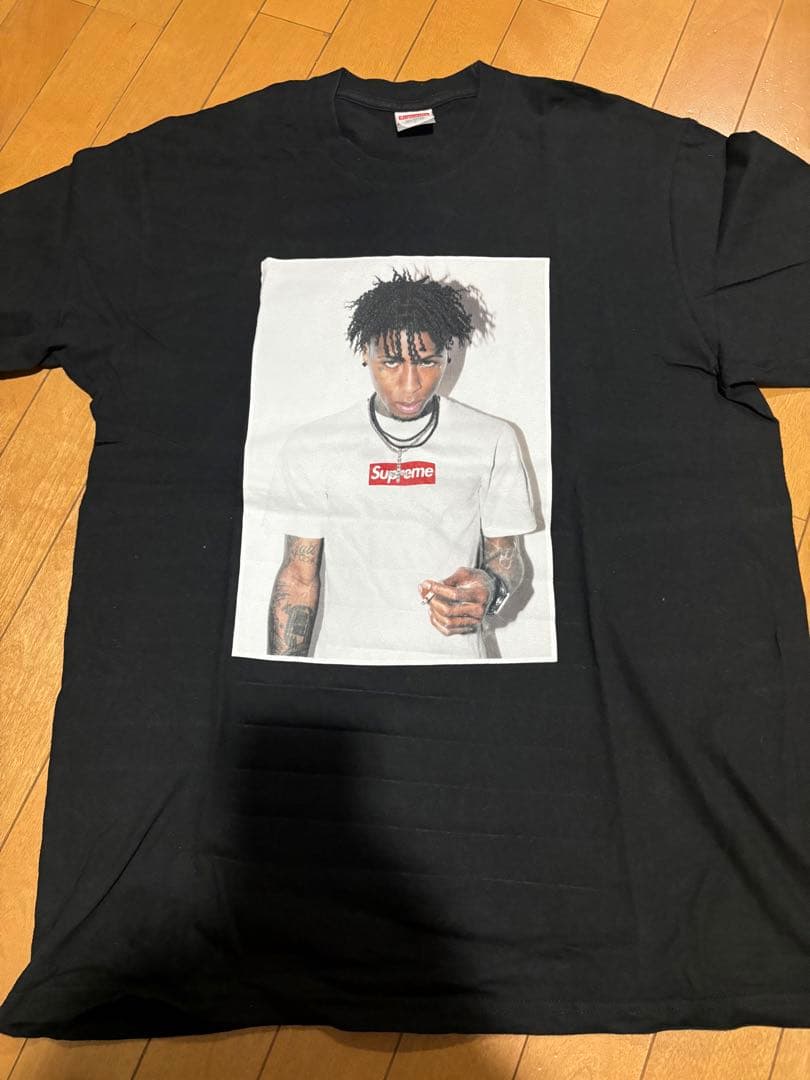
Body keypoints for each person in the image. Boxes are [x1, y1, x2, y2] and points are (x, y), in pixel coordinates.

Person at [265, 267, 539, 663]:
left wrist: (491, 585)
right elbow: (298, 577)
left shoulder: (492, 438)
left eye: (427, 362)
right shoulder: (314, 445)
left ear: (448, 354)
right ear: (365, 353)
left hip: (454, 664)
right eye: (391, 362)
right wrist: (280, 679)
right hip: (349, 665)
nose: (411, 385)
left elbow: (507, 557)